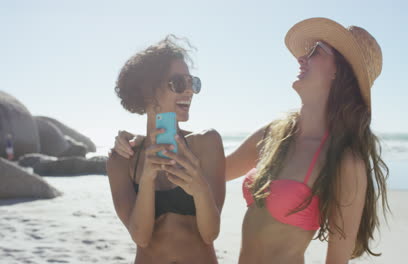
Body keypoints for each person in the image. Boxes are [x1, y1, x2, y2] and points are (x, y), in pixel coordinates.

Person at [112, 18, 390, 264]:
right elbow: (214, 170)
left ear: (338, 72)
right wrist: (140, 142)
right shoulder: (275, 134)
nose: (301, 58)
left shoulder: (344, 159)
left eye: (316, 51)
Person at [106, 36, 226, 264]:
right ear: (148, 91)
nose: (190, 91)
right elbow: (141, 237)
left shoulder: (207, 143)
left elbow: (210, 234)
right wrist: (148, 179)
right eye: (179, 83)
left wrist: (199, 189)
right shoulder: (122, 158)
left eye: (193, 83)